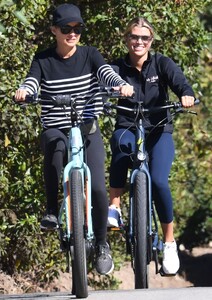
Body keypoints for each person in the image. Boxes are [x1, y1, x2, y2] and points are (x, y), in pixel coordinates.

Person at [14, 3, 134, 276]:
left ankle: (102, 245)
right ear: (54, 30)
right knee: (55, 149)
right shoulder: (43, 59)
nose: (73, 33)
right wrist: (24, 90)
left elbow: (106, 73)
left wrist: (118, 85)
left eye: (77, 28)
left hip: (87, 127)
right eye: (66, 29)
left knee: (99, 190)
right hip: (56, 126)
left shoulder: (90, 54)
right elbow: (32, 81)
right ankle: (51, 211)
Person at [107, 17, 195, 275]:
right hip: (128, 126)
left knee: (158, 181)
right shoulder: (117, 67)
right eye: (134, 37)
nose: (139, 42)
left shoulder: (162, 63)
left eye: (144, 38)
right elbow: (105, 82)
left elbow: (180, 82)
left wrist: (185, 95)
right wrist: (113, 88)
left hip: (158, 130)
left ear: (151, 41)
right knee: (121, 147)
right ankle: (115, 207)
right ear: (127, 39)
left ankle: (169, 241)